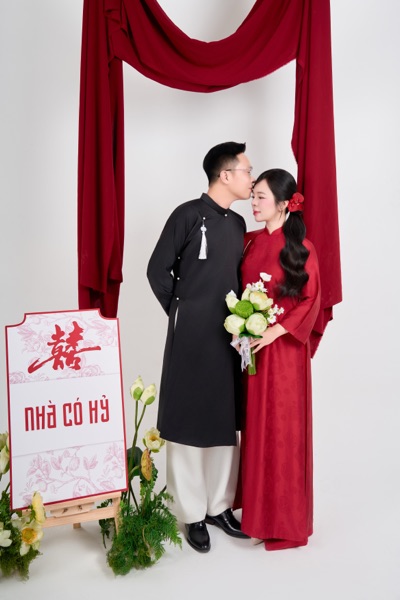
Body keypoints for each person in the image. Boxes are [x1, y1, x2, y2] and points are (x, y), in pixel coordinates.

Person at [147, 141, 254, 552]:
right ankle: (192, 512)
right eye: (246, 171)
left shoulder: (238, 224)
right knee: (189, 418)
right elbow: (157, 270)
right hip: (192, 333)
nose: (251, 178)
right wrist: (182, 310)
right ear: (225, 175)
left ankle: (220, 506)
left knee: (225, 419)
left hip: (229, 335)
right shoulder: (187, 215)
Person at [235, 168, 321, 550]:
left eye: (261, 197)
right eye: (253, 195)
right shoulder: (250, 242)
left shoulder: (301, 248)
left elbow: (311, 299)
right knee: (255, 429)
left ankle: (286, 522)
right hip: (252, 351)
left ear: (284, 204)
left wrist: (274, 331)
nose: (253, 203)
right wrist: (241, 326)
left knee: (283, 432)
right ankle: (257, 516)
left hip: (285, 356)